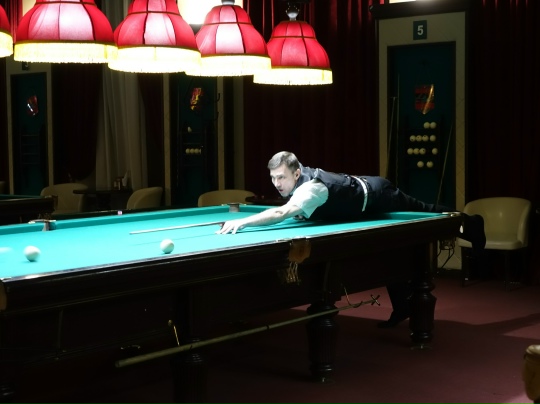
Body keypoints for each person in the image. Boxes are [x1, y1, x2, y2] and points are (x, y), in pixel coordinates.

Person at [217, 151, 486, 327]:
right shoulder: (299, 181)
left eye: (282, 177)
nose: (277, 184)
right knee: (390, 251)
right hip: (357, 206)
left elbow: (282, 212)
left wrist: (242, 222)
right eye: (273, 178)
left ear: (297, 173)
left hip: (379, 195)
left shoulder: (311, 189)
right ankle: (403, 307)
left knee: (426, 210)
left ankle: (472, 222)